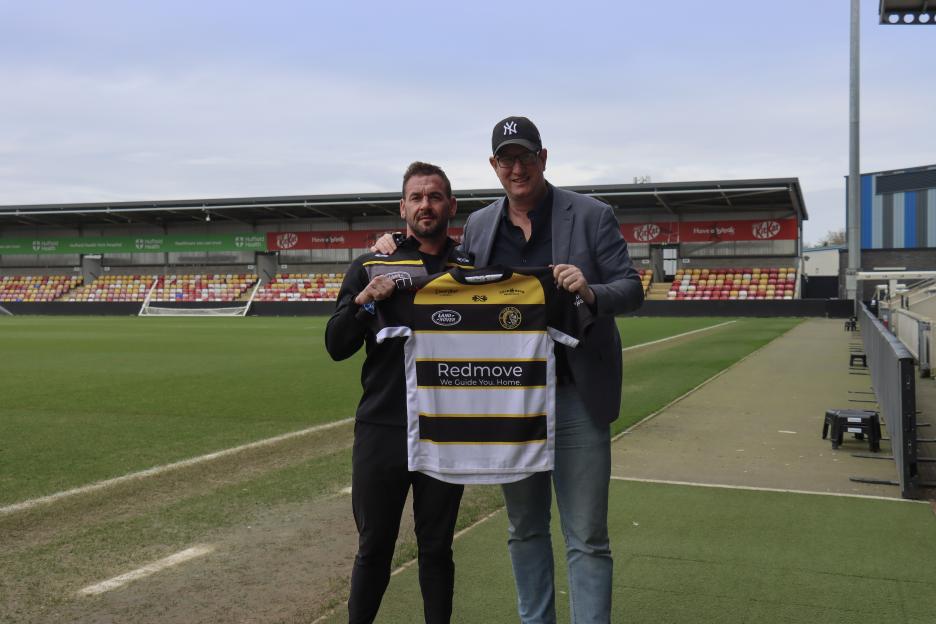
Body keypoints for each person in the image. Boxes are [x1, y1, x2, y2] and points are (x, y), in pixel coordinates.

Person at [374, 117, 644, 623]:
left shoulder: (592, 216)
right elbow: (447, 278)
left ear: (544, 158)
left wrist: (588, 290)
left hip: (576, 395)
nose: (516, 168)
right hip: (512, 401)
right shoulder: (480, 225)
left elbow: (631, 289)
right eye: (506, 159)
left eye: (525, 157)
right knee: (524, 528)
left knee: (586, 534)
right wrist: (395, 241)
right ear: (494, 166)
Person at [325, 161, 472, 624]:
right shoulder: (372, 263)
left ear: (451, 204)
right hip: (382, 429)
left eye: (434, 196)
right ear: (402, 207)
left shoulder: (471, 267)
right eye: (416, 197)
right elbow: (336, 345)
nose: (425, 205)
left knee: (436, 548)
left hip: (445, 429)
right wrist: (365, 301)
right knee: (373, 548)